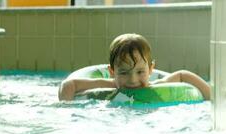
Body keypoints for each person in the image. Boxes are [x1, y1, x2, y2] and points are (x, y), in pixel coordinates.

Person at [58, 33, 210, 101]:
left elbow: (183, 75)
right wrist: (66, 107)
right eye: (123, 72)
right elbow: (69, 84)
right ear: (112, 72)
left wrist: (212, 98)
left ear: (151, 69)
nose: (133, 80)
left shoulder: (158, 85)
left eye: (140, 72)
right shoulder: (107, 85)